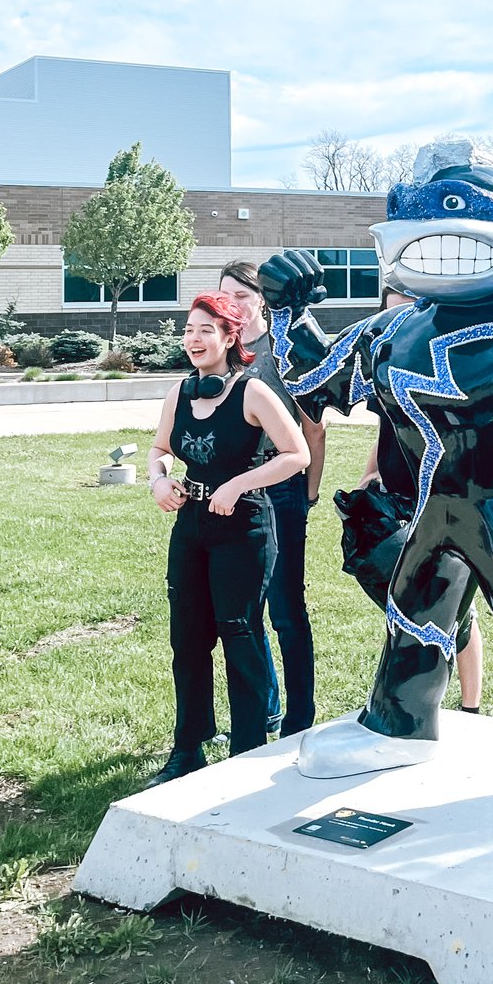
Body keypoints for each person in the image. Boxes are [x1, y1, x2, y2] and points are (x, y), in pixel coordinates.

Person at [145, 292, 310, 786]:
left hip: (244, 529)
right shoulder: (180, 391)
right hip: (192, 527)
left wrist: (239, 484)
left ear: (230, 337)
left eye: (205, 330)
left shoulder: (253, 392)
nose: (193, 339)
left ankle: (247, 750)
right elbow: (159, 449)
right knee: (187, 640)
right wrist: (158, 479)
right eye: (189, 329)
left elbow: (296, 453)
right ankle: (188, 748)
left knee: (240, 633)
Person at [348, 284, 484, 713]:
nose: (400, 323)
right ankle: (410, 700)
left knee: (456, 607)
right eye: (390, 314)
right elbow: (384, 427)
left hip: (443, 498)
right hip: (395, 497)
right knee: (402, 601)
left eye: (408, 311)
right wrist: (371, 472)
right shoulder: (387, 363)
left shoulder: (452, 364)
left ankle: (469, 706)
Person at [219, 260, 326, 737]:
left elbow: (314, 427)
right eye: (226, 297)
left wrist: (309, 492)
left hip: (282, 491)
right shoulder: (225, 349)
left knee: (285, 609)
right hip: (235, 493)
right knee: (245, 608)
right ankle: (266, 708)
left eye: (242, 296)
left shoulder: (283, 348)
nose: (234, 306)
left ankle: (300, 721)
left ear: (262, 298)